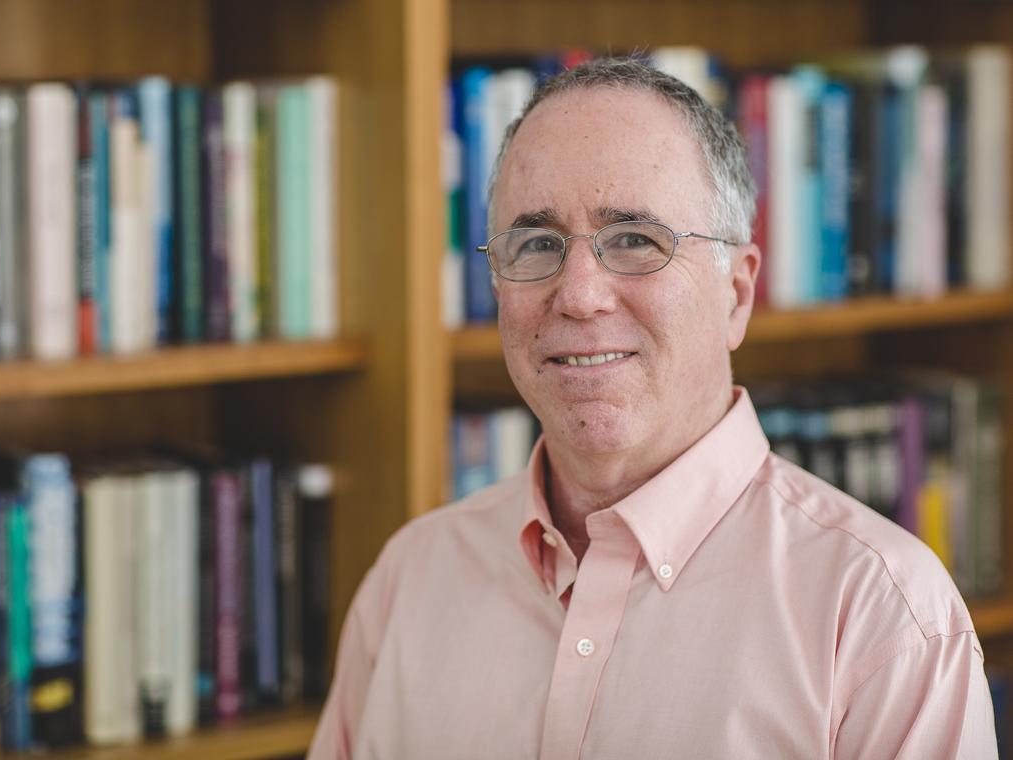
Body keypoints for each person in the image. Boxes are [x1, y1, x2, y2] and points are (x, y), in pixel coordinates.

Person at [309, 56, 998, 759]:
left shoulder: (884, 618)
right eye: (538, 243)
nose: (579, 295)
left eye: (635, 240)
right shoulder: (412, 578)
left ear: (736, 292)